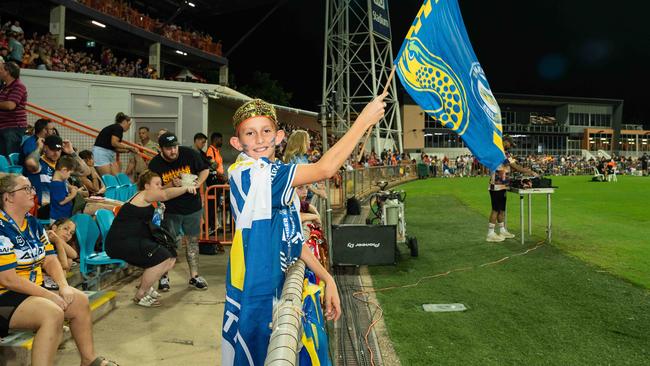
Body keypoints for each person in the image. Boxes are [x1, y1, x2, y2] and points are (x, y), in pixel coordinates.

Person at [222, 94, 386, 364]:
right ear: (237, 143)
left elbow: (291, 240)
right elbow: (325, 168)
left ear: (279, 136)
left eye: (266, 131)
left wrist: (327, 278)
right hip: (255, 292)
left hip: (273, 286)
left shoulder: (272, 170)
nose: (260, 139)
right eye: (250, 133)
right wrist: (363, 121)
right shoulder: (251, 174)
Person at [0, 174, 118, 366]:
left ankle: (89, 360)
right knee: (52, 312)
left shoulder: (32, 222)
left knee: (78, 300)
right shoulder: (1, 227)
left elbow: (49, 258)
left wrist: (63, 286)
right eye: (26, 189)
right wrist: (48, 294)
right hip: (5, 296)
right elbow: (8, 279)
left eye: (32, 187)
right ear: (8, 197)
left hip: (29, 291)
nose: (33, 192)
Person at [105, 170, 195, 307]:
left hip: (133, 239)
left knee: (171, 257)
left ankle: (146, 285)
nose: (160, 186)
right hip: (119, 242)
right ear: (146, 186)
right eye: (157, 184)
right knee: (161, 258)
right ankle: (140, 294)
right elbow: (165, 194)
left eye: (161, 183)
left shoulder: (147, 197)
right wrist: (185, 188)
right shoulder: (144, 194)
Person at [148, 132, 209, 291]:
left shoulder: (189, 154)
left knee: (192, 242)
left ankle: (194, 276)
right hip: (170, 210)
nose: (173, 151)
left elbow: (205, 170)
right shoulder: (155, 164)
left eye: (175, 147)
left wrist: (197, 184)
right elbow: (154, 189)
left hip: (192, 208)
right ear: (160, 149)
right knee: (168, 243)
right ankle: (164, 277)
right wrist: (171, 185)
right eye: (168, 148)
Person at [486, 135, 537, 242]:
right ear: (505, 141)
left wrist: (519, 170)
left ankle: (502, 230)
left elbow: (509, 167)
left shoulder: (503, 153)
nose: (510, 146)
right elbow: (515, 166)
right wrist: (529, 171)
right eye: (510, 144)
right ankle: (490, 233)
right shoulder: (500, 152)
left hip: (502, 184)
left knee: (502, 209)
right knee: (495, 209)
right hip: (496, 185)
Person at [93, 112, 138, 176]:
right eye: (129, 125)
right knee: (108, 178)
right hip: (102, 153)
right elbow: (114, 143)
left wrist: (128, 150)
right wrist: (129, 147)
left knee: (116, 176)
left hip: (107, 153)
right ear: (125, 121)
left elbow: (115, 148)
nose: (129, 127)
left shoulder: (116, 128)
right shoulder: (118, 128)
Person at [0, 61, 28, 157]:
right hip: (4, 128)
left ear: (8, 72)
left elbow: (10, 105)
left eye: (1, 69)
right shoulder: (4, 87)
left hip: (12, 129)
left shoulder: (19, 86)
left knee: (9, 158)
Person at [49, 155, 80, 222]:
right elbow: (61, 202)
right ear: (64, 170)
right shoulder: (57, 184)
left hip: (63, 215)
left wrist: (70, 188)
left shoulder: (61, 182)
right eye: (70, 173)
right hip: (58, 218)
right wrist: (73, 195)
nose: (69, 176)